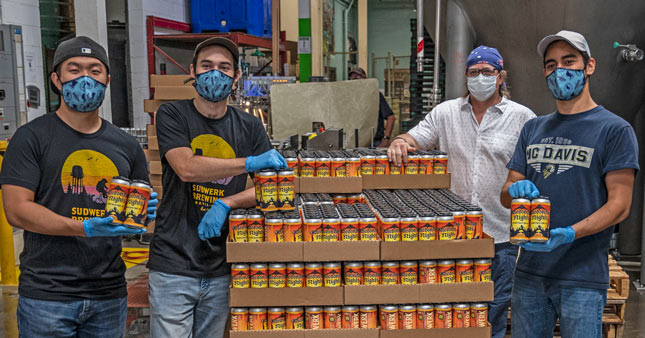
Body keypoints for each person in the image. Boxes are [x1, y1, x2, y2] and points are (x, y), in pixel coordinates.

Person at [0, 36, 158, 337]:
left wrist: (144, 214)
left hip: (108, 293)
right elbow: (17, 211)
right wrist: (83, 227)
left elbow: (130, 218)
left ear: (107, 80)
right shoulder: (30, 138)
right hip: (47, 295)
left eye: (95, 70)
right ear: (56, 79)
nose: (86, 78)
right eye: (74, 70)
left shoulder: (125, 146)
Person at [388, 46, 535, 338]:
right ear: (465, 76)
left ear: (500, 76)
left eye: (487, 72)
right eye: (473, 72)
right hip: (453, 236)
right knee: (450, 312)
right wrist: (399, 141)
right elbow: (414, 137)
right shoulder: (445, 113)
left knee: (491, 313)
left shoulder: (523, 117)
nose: (480, 77)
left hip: (500, 237)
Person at [501, 30, 639, 338]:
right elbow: (506, 192)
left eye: (569, 61)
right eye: (551, 65)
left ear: (589, 66)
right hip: (530, 273)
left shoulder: (615, 130)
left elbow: (620, 205)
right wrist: (514, 191)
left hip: (582, 276)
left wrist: (570, 233)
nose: (558, 71)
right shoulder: (533, 129)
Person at [147, 37, 287, 338]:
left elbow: (269, 187)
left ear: (236, 76)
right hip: (173, 264)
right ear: (193, 71)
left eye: (225, 68)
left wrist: (228, 203)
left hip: (222, 264)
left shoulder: (249, 126)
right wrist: (249, 163)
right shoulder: (173, 115)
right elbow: (185, 167)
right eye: (207, 66)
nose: (215, 73)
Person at [349, 67, 396, 147]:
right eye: (353, 78)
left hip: (373, 142)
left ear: (365, 80)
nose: (355, 81)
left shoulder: (375, 96)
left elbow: (390, 117)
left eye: (358, 78)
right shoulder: (348, 98)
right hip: (352, 142)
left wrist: (385, 139)